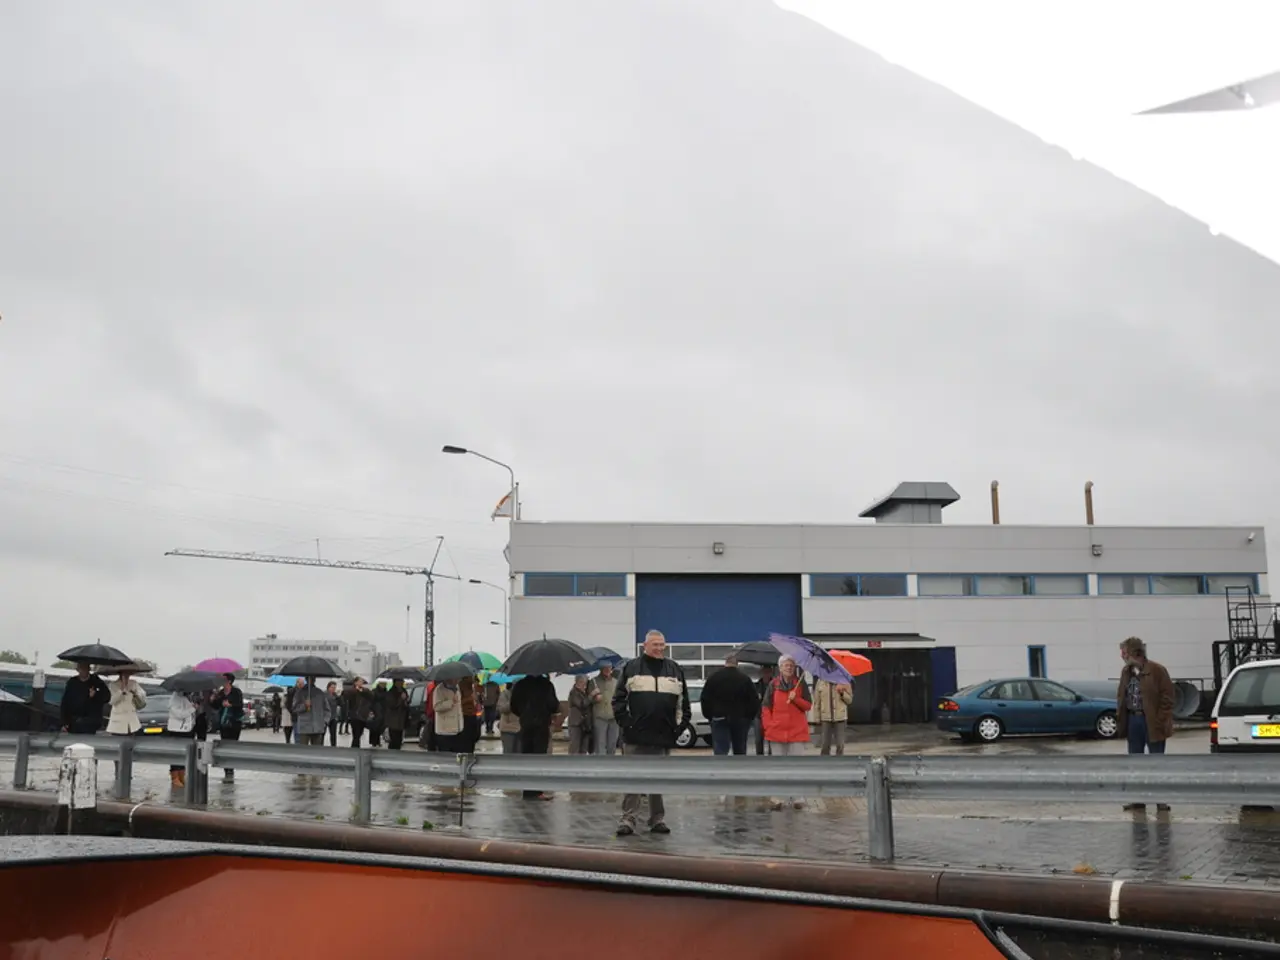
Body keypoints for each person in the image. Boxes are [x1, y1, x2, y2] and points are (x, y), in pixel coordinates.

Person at [613, 629, 689, 836]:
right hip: (635, 736)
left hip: (662, 737)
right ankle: (628, 819)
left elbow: (684, 703)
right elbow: (618, 700)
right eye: (655, 644)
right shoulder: (631, 668)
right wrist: (627, 724)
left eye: (662, 644)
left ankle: (657, 819)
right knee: (632, 778)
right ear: (645, 646)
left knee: (658, 779)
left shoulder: (674, 669)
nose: (659, 648)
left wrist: (677, 729)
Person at [1116, 635, 1176, 812]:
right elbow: (1122, 696)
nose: (1122, 656)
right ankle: (1138, 800)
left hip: (1151, 721)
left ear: (1135, 653)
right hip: (1133, 720)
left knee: (1156, 762)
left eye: (1124, 652)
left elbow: (1168, 698)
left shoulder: (1157, 670)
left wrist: (1160, 719)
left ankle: (1160, 801)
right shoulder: (1126, 672)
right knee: (1135, 762)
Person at [762, 655, 812, 810]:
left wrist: (796, 698)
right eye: (786, 665)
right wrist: (769, 726)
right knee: (777, 767)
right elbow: (765, 708)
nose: (789, 667)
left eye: (791, 665)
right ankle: (778, 796)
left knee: (797, 766)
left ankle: (797, 797)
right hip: (776, 733)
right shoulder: (773, 685)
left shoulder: (800, 684)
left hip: (796, 732)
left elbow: (808, 706)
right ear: (780, 668)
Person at [511, 673, 560, 800]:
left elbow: (513, 706)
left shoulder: (520, 685)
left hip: (526, 725)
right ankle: (537, 791)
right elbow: (554, 705)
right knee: (539, 758)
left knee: (526, 758)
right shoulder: (546, 685)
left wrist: (524, 713)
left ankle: (527, 791)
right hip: (541, 725)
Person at [700, 655, 761, 756]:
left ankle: (721, 770)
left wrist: (709, 716)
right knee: (740, 749)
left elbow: (705, 699)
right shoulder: (745, 679)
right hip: (740, 719)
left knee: (720, 749)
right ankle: (738, 770)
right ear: (737, 664)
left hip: (719, 717)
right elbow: (754, 701)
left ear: (725, 663)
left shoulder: (714, 678)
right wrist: (748, 718)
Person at [210, 673, 244, 780]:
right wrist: (213, 700)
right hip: (223, 722)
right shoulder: (220, 693)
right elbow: (215, 706)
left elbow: (240, 705)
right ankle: (226, 768)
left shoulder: (236, 692)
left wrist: (231, 705)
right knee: (224, 744)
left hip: (234, 721)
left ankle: (231, 767)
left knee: (233, 744)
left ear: (229, 681)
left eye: (223, 679)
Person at [60, 662, 109, 734]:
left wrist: (95, 695)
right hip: (74, 722)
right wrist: (64, 722)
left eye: (85, 668)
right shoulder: (72, 682)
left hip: (90, 722)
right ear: (77, 670)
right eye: (81, 668)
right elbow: (65, 702)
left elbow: (107, 697)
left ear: (89, 669)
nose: (83, 671)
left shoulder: (96, 681)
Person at [812, 676, 853, 756]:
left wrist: (842, 693)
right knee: (825, 744)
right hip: (825, 718)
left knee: (840, 745)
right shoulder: (820, 681)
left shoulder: (844, 680)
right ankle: (824, 764)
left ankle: (839, 764)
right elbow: (817, 701)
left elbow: (849, 700)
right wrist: (817, 717)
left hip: (840, 717)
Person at [166, 690, 198, 788]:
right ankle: (175, 777)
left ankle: (181, 775)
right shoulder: (174, 700)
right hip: (177, 730)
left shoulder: (186, 698)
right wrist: (192, 709)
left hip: (187, 730)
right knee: (176, 754)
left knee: (184, 754)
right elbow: (179, 714)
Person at [105, 667, 147, 735]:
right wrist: (121, 690)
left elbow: (143, 695)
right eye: (124, 674)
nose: (127, 676)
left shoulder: (133, 683)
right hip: (118, 722)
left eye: (128, 674)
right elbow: (111, 701)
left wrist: (135, 693)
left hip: (132, 721)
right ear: (120, 674)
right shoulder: (113, 685)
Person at [292, 676, 331, 746]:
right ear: (306, 679)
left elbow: (327, 709)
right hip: (304, 727)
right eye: (310, 678)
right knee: (303, 751)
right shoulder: (300, 693)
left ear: (315, 680)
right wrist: (304, 705)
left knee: (317, 752)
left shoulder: (320, 693)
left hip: (318, 727)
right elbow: (294, 708)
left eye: (313, 678)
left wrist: (324, 722)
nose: (311, 680)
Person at [591, 663, 620, 755]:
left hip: (613, 717)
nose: (607, 670)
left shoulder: (616, 682)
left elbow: (620, 698)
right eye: (605, 668)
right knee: (600, 744)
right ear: (601, 669)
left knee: (612, 743)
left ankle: (611, 765)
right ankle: (600, 765)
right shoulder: (593, 682)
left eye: (609, 668)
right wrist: (594, 698)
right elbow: (587, 700)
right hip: (600, 717)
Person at [432, 679, 464, 753]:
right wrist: (451, 702)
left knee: (456, 755)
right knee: (446, 756)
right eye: (455, 678)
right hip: (444, 730)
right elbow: (436, 707)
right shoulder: (439, 689)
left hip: (457, 729)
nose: (457, 680)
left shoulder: (457, 688)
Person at [567, 675, 595, 755]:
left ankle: (581, 765)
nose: (585, 685)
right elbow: (582, 704)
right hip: (576, 724)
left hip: (585, 725)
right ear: (578, 682)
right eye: (583, 683)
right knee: (575, 747)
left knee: (584, 748)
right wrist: (591, 696)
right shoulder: (573, 693)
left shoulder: (585, 692)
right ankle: (572, 765)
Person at [753, 664, 775, 755]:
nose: (766, 674)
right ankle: (759, 756)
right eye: (764, 672)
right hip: (758, 715)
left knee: (771, 738)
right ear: (761, 673)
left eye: (768, 672)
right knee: (758, 739)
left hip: (771, 715)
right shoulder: (756, 686)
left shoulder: (775, 685)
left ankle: (771, 755)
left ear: (771, 673)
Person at [345, 677, 373, 747]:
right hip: (354, 715)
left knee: (359, 733)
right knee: (356, 734)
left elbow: (371, 696)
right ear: (355, 682)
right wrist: (356, 690)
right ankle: (355, 747)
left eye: (362, 681)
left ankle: (355, 746)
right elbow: (346, 696)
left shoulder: (365, 690)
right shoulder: (351, 690)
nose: (361, 683)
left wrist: (362, 691)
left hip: (363, 715)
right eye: (360, 681)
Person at [383, 678, 410, 750]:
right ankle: (391, 754)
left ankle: (397, 753)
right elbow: (392, 705)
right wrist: (401, 698)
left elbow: (406, 704)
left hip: (402, 719)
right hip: (393, 720)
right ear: (395, 682)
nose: (402, 683)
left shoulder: (404, 691)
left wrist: (406, 701)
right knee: (394, 739)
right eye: (401, 681)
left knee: (399, 739)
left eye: (402, 681)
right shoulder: (390, 692)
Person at [458, 675, 480, 753]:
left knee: (473, 738)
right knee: (465, 741)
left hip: (473, 715)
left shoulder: (473, 686)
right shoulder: (461, 686)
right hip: (465, 715)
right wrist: (470, 699)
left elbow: (476, 700)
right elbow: (458, 702)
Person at [497, 683, 521, 754]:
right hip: (508, 729)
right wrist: (513, 701)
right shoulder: (505, 694)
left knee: (520, 755)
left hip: (521, 729)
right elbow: (501, 709)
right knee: (508, 754)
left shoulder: (526, 695)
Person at [368, 681, 388, 747]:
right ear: (379, 684)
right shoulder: (374, 691)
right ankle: (374, 741)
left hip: (384, 710)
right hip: (376, 711)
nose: (384, 685)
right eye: (383, 683)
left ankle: (378, 740)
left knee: (381, 726)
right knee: (375, 727)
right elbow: (371, 701)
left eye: (385, 684)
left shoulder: (386, 692)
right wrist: (371, 710)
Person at [324, 681, 340, 746]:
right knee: (322, 733)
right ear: (328, 687)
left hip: (333, 717)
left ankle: (333, 746)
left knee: (333, 734)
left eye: (334, 688)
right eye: (332, 687)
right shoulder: (324, 694)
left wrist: (338, 696)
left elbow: (341, 703)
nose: (333, 689)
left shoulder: (335, 695)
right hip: (325, 716)